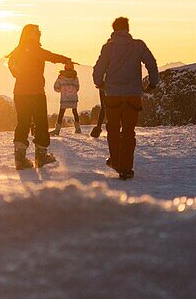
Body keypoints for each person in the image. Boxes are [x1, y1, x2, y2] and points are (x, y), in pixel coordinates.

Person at [93, 17, 159, 180]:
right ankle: (126, 167)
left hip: (113, 95)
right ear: (128, 29)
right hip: (133, 95)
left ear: (114, 30)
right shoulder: (138, 45)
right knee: (129, 132)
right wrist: (152, 84)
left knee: (113, 130)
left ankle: (116, 161)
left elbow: (98, 69)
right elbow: (151, 63)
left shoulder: (108, 47)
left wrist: (100, 83)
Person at [8, 25, 72, 170]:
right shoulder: (34, 49)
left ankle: (20, 159)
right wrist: (66, 59)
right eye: (37, 32)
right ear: (30, 34)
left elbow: (13, 68)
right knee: (41, 123)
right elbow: (50, 56)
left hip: (19, 92)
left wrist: (20, 75)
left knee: (22, 122)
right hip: (36, 93)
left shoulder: (17, 51)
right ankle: (41, 157)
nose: (39, 35)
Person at [52, 65, 81, 135]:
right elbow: (77, 88)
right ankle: (78, 128)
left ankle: (57, 130)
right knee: (75, 112)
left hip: (64, 98)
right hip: (73, 98)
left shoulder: (60, 77)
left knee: (61, 114)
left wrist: (61, 90)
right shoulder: (75, 77)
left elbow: (56, 87)